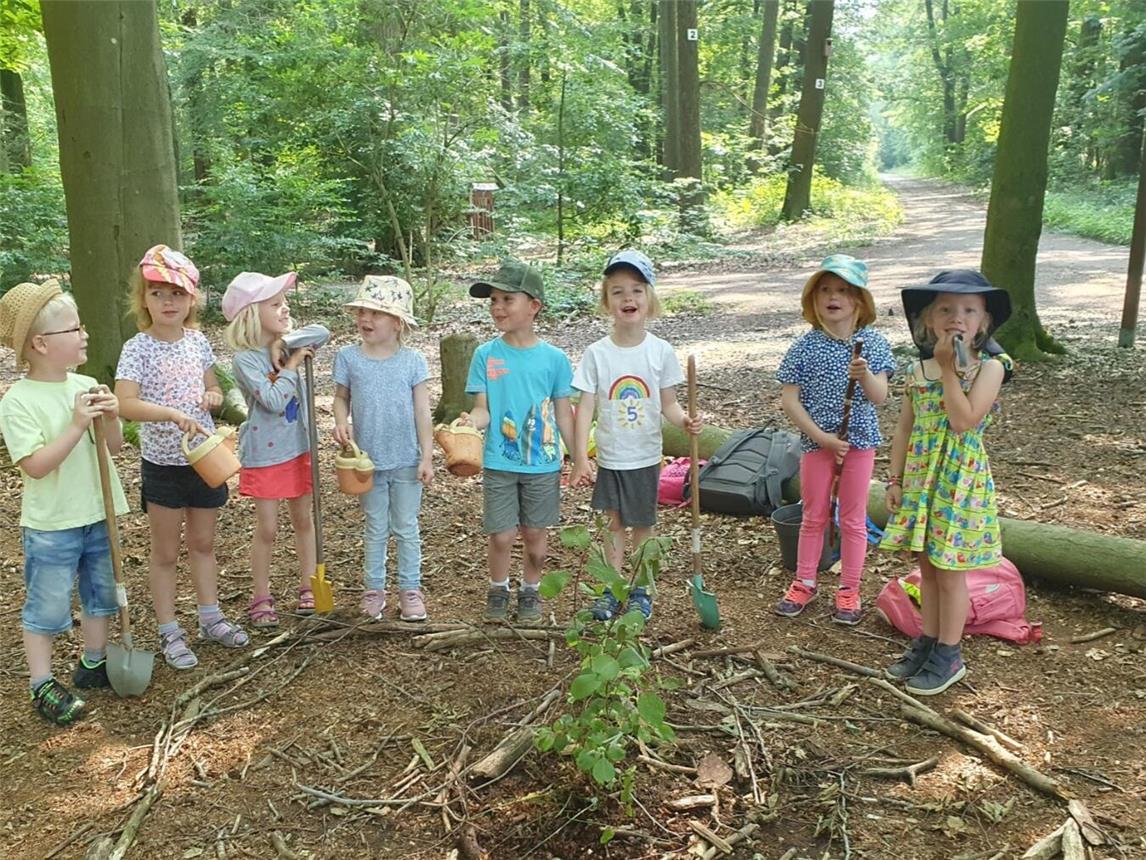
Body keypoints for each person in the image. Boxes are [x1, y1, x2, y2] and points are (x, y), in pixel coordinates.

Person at [0, 280, 128, 725]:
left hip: (97, 512)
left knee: (101, 595)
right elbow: (35, 466)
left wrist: (111, 416)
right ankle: (42, 684)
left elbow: (111, 447)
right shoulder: (18, 400)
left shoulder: (88, 383)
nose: (84, 334)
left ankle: (94, 662)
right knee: (48, 606)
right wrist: (75, 425)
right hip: (52, 524)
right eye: (74, 328)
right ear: (39, 343)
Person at [115, 245, 248, 670]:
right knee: (166, 551)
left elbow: (213, 389)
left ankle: (210, 617)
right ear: (143, 300)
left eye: (175, 294)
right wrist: (170, 414)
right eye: (157, 294)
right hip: (163, 466)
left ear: (191, 299)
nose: (167, 302)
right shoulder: (137, 348)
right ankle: (170, 629)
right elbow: (125, 403)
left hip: (205, 459)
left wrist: (212, 396)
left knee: (204, 543)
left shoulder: (198, 343)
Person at [880, 270, 1013, 695]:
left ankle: (950, 654)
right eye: (946, 309)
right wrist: (895, 478)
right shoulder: (917, 372)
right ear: (929, 320)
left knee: (951, 570)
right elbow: (904, 428)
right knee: (927, 566)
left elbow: (963, 420)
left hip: (958, 482)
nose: (957, 317)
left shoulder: (991, 368)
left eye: (969, 310)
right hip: (921, 479)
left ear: (983, 323)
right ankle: (929, 639)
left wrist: (949, 369)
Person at [568, 250, 701, 620]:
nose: (628, 298)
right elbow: (587, 408)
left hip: (644, 456)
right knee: (612, 525)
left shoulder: (660, 351)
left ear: (650, 297)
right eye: (618, 291)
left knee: (643, 524)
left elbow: (669, 405)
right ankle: (612, 587)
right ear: (606, 301)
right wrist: (580, 456)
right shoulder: (597, 354)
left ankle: (642, 589)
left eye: (637, 290)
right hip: (611, 456)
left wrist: (685, 422)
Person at [774, 254, 895, 625]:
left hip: (859, 442)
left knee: (854, 519)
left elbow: (880, 396)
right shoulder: (804, 347)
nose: (833, 297)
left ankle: (849, 589)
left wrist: (865, 376)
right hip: (817, 444)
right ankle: (805, 580)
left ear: (859, 300)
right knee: (814, 515)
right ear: (814, 300)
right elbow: (789, 400)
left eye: (843, 290)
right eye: (825, 290)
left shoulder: (871, 344)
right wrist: (822, 438)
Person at [458, 261, 575, 623]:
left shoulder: (554, 360)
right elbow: (484, 410)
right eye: (493, 300)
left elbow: (563, 413)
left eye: (508, 299)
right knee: (502, 534)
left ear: (534, 306)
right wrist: (469, 424)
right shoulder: (486, 355)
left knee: (535, 531)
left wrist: (580, 460)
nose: (497, 307)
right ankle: (498, 587)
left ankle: (530, 591)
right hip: (499, 461)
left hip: (543, 463)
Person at [332, 276, 433, 621]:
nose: (366, 319)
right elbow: (340, 397)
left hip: (407, 459)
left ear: (398, 321)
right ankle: (374, 589)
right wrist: (340, 420)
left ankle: (410, 589)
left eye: (377, 312)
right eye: (362, 310)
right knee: (375, 526)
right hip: (366, 462)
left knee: (406, 526)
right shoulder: (348, 358)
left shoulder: (413, 361)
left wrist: (427, 455)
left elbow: (422, 411)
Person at [223, 271, 318, 628]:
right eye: (275, 304)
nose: (284, 309)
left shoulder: (287, 343)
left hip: (298, 448)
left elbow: (323, 332)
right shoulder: (246, 360)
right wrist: (291, 364)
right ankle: (260, 595)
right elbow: (275, 399)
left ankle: (308, 584)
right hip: (264, 454)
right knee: (268, 527)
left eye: (284, 302)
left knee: (303, 519)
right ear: (251, 314)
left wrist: (286, 343)